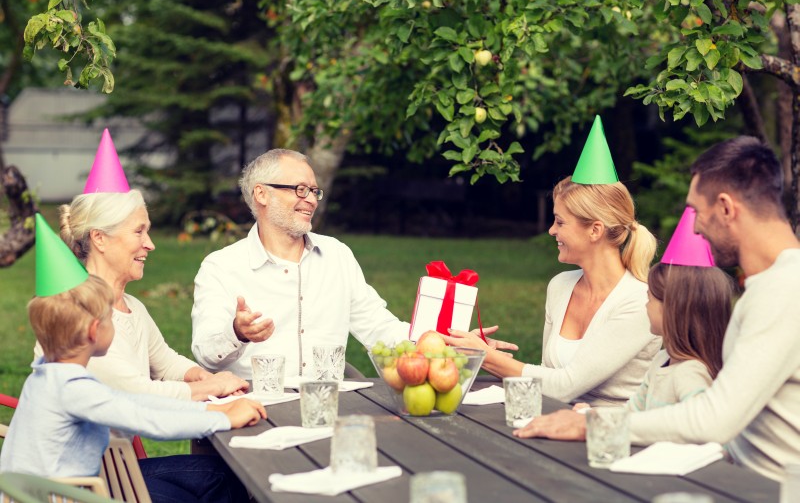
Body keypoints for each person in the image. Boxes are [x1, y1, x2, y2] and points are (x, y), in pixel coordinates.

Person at [515, 136, 800, 482]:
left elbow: (714, 417)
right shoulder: (773, 286)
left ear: (726, 208)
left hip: (763, 489)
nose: (694, 225)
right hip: (735, 479)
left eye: (697, 211)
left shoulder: (783, 290)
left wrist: (594, 424)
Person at [191, 149, 504, 378]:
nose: (312, 199)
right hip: (254, 409)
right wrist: (237, 332)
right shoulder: (221, 266)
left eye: (314, 191)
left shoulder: (337, 255)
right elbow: (206, 353)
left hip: (330, 406)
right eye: (300, 189)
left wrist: (446, 343)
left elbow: (379, 328)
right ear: (261, 194)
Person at [1, 239, 266, 501]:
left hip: (54, 491)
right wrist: (224, 419)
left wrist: (213, 409)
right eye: (110, 317)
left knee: (218, 476)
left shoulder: (47, 379)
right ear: (95, 330)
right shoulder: (74, 390)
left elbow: (137, 403)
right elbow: (147, 417)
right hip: (66, 496)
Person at [447, 176, 661, 406]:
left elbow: (565, 386)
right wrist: (488, 356)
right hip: (554, 421)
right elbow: (549, 376)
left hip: (610, 433)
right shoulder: (561, 286)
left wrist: (487, 358)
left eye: (560, 222)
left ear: (595, 230)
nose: (551, 230)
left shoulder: (640, 301)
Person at [51, 190, 248, 401]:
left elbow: (166, 364)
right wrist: (214, 387)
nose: (150, 244)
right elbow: (138, 393)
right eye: (138, 232)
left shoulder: (132, 307)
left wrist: (205, 378)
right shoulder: (76, 313)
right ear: (99, 238)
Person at [575, 261, 732, 414]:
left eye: (649, 299)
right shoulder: (661, 360)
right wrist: (592, 415)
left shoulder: (691, 374)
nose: (646, 306)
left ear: (672, 310)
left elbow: (695, 428)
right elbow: (633, 412)